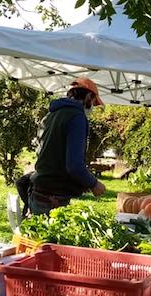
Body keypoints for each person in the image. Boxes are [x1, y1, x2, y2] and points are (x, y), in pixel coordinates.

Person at [29, 77, 106, 214]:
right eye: (93, 102)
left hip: (39, 193)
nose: (93, 107)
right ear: (88, 96)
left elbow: (47, 154)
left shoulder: (51, 114)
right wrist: (94, 183)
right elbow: (74, 166)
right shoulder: (77, 117)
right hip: (52, 199)